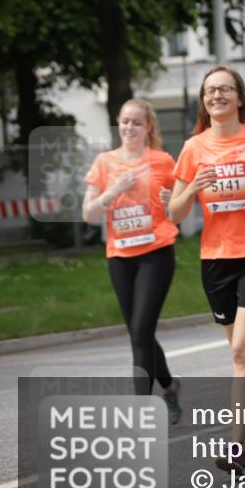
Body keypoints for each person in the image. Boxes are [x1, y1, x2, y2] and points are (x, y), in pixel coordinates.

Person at [170, 65, 245, 473]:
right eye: (210, 91)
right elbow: (175, 211)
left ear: (240, 98)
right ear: (203, 101)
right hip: (215, 259)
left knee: (242, 349)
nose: (216, 96)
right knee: (244, 355)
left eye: (225, 90)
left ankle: (236, 447)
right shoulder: (193, 148)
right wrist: (191, 186)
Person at [82, 99, 182, 422]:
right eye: (125, 121)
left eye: (136, 123)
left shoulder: (163, 161)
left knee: (140, 332)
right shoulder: (104, 162)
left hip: (156, 254)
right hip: (121, 258)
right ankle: (169, 386)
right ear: (118, 123)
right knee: (141, 333)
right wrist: (113, 191)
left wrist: (171, 201)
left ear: (148, 127)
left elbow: (183, 206)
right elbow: (88, 214)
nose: (129, 128)